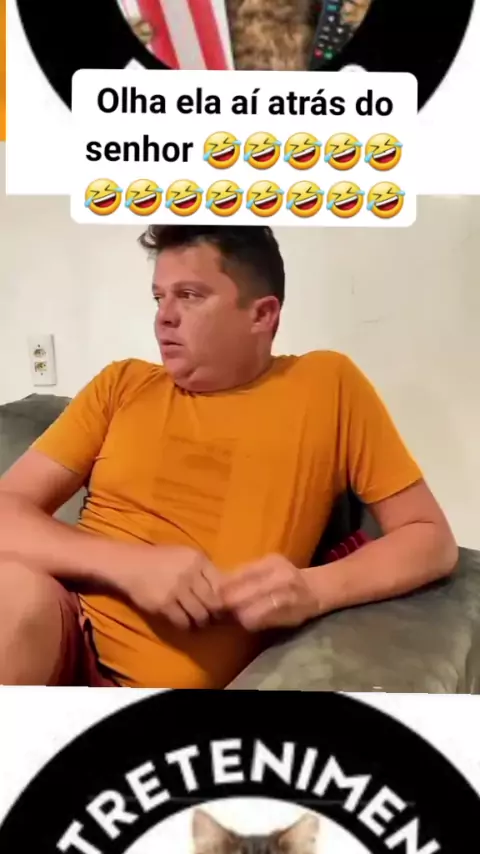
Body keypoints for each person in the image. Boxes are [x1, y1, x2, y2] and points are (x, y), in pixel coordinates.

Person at [0, 225, 458, 688]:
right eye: (159, 298)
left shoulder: (327, 386)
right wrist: (130, 566)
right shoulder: (121, 385)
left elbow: (429, 537)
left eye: (189, 296)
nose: (164, 318)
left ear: (262, 314)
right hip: (61, 633)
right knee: (15, 590)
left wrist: (314, 589)